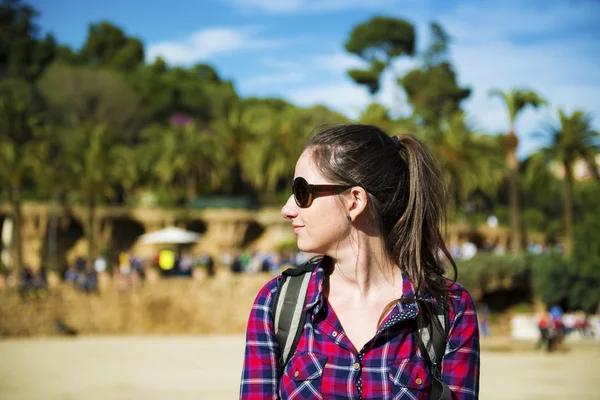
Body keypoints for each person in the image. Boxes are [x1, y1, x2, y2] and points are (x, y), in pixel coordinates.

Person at [240, 125, 480, 399]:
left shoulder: (448, 310)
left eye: (301, 191)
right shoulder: (277, 304)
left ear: (354, 201)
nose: (287, 209)